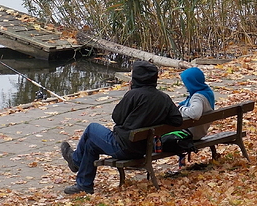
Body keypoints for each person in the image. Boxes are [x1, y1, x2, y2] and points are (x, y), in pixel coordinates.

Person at [60, 60, 182, 195]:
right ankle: (84, 184)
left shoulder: (134, 95)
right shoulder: (163, 98)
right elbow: (177, 120)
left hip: (123, 146)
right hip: (144, 147)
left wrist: (130, 93)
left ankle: (75, 160)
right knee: (90, 144)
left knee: (92, 128)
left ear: (137, 77)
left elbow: (117, 118)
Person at [162, 67, 216, 170]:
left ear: (192, 82)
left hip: (191, 133)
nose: (184, 85)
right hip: (200, 130)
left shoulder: (198, 97)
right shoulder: (207, 92)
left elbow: (195, 114)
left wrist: (180, 109)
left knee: (161, 132)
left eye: (185, 82)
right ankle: (181, 158)